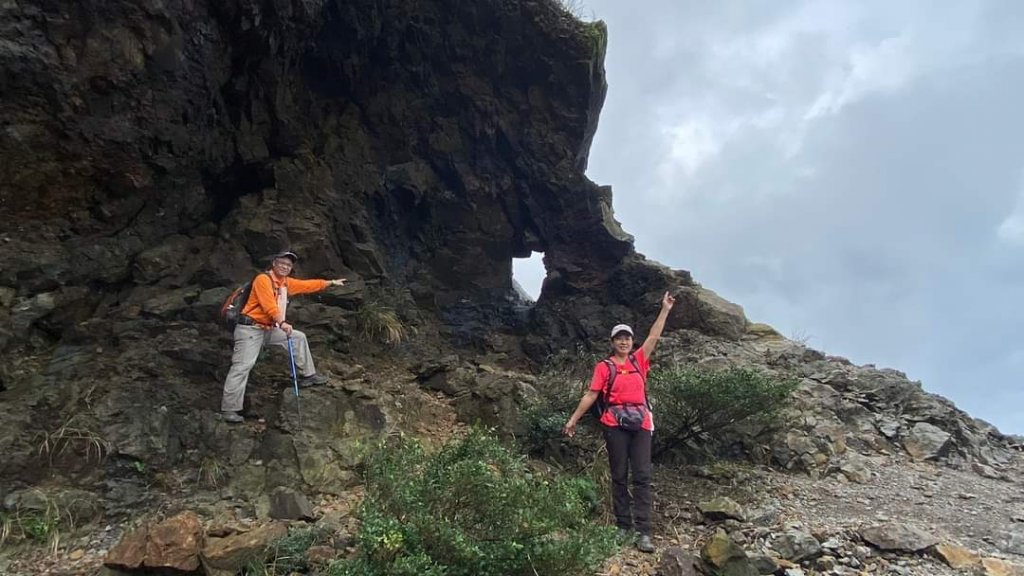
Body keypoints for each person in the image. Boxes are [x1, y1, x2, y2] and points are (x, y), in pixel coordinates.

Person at [563, 291, 676, 553]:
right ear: (613, 342)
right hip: (614, 423)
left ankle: (644, 532)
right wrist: (572, 421)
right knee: (618, 476)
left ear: (631, 341)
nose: (624, 342)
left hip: (641, 424)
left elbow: (654, 337)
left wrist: (665, 310)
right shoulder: (604, 366)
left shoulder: (639, 360)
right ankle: (623, 527)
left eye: (627, 338)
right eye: (619, 338)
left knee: (643, 476)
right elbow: (592, 394)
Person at [220, 251, 347, 423]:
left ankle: (308, 375)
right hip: (250, 329)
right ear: (274, 263)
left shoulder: (285, 283)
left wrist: (330, 283)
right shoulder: (263, 280)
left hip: (268, 329)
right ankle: (230, 409)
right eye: (282, 263)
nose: (285, 267)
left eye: (288, 265)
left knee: (298, 337)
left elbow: (306, 285)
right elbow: (269, 306)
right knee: (242, 366)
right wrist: (282, 322)